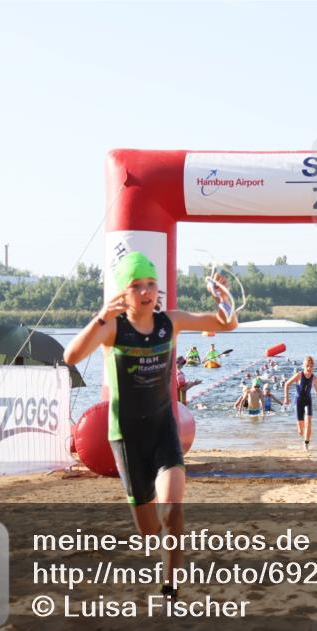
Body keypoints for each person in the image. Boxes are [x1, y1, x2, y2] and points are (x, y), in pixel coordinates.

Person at [63, 251, 237, 600]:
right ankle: (153, 524)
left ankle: (170, 582)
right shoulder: (113, 328)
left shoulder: (169, 322)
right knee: (149, 528)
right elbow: (70, 357)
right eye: (136, 285)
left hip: (163, 429)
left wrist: (224, 299)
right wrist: (99, 319)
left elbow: (225, 324)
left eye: (151, 284)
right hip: (126, 437)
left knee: (173, 508)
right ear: (122, 294)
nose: (146, 292)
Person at [284, 356, 317, 450]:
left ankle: (306, 444)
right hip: (298, 402)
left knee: (309, 421)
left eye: (311, 366)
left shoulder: (314, 378)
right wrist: (286, 398)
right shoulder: (299, 375)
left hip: (308, 401)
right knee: (300, 430)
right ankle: (302, 432)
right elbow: (286, 384)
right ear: (303, 366)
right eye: (307, 366)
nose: (309, 368)